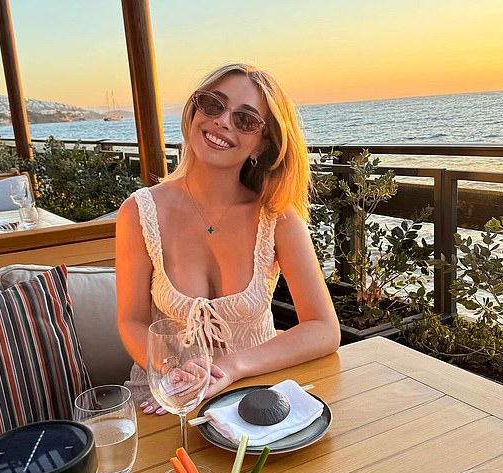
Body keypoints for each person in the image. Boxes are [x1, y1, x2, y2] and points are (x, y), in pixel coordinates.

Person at [115, 63, 340, 413]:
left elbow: (324, 329)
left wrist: (230, 368)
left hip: (255, 396)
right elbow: (132, 320)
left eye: (245, 120)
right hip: (165, 398)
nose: (222, 121)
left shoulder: (277, 217)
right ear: (194, 111)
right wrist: (173, 374)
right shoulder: (139, 213)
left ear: (262, 144)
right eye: (213, 104)